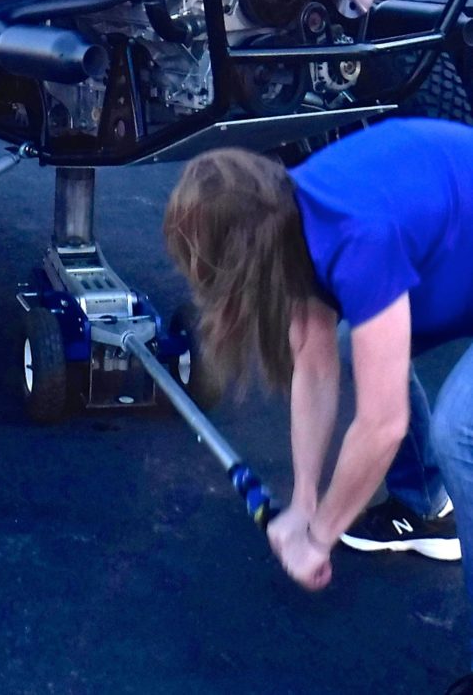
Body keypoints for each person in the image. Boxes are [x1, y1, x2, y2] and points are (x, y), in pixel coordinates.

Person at [162, 119, 473, 689]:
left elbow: (381, 425)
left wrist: (322, 536)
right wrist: (304, 505)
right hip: (456, 250)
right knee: (354, 343)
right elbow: (313, 359)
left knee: (461, 430)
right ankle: (427, 509)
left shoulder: (356, 237)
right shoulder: (287, 212)